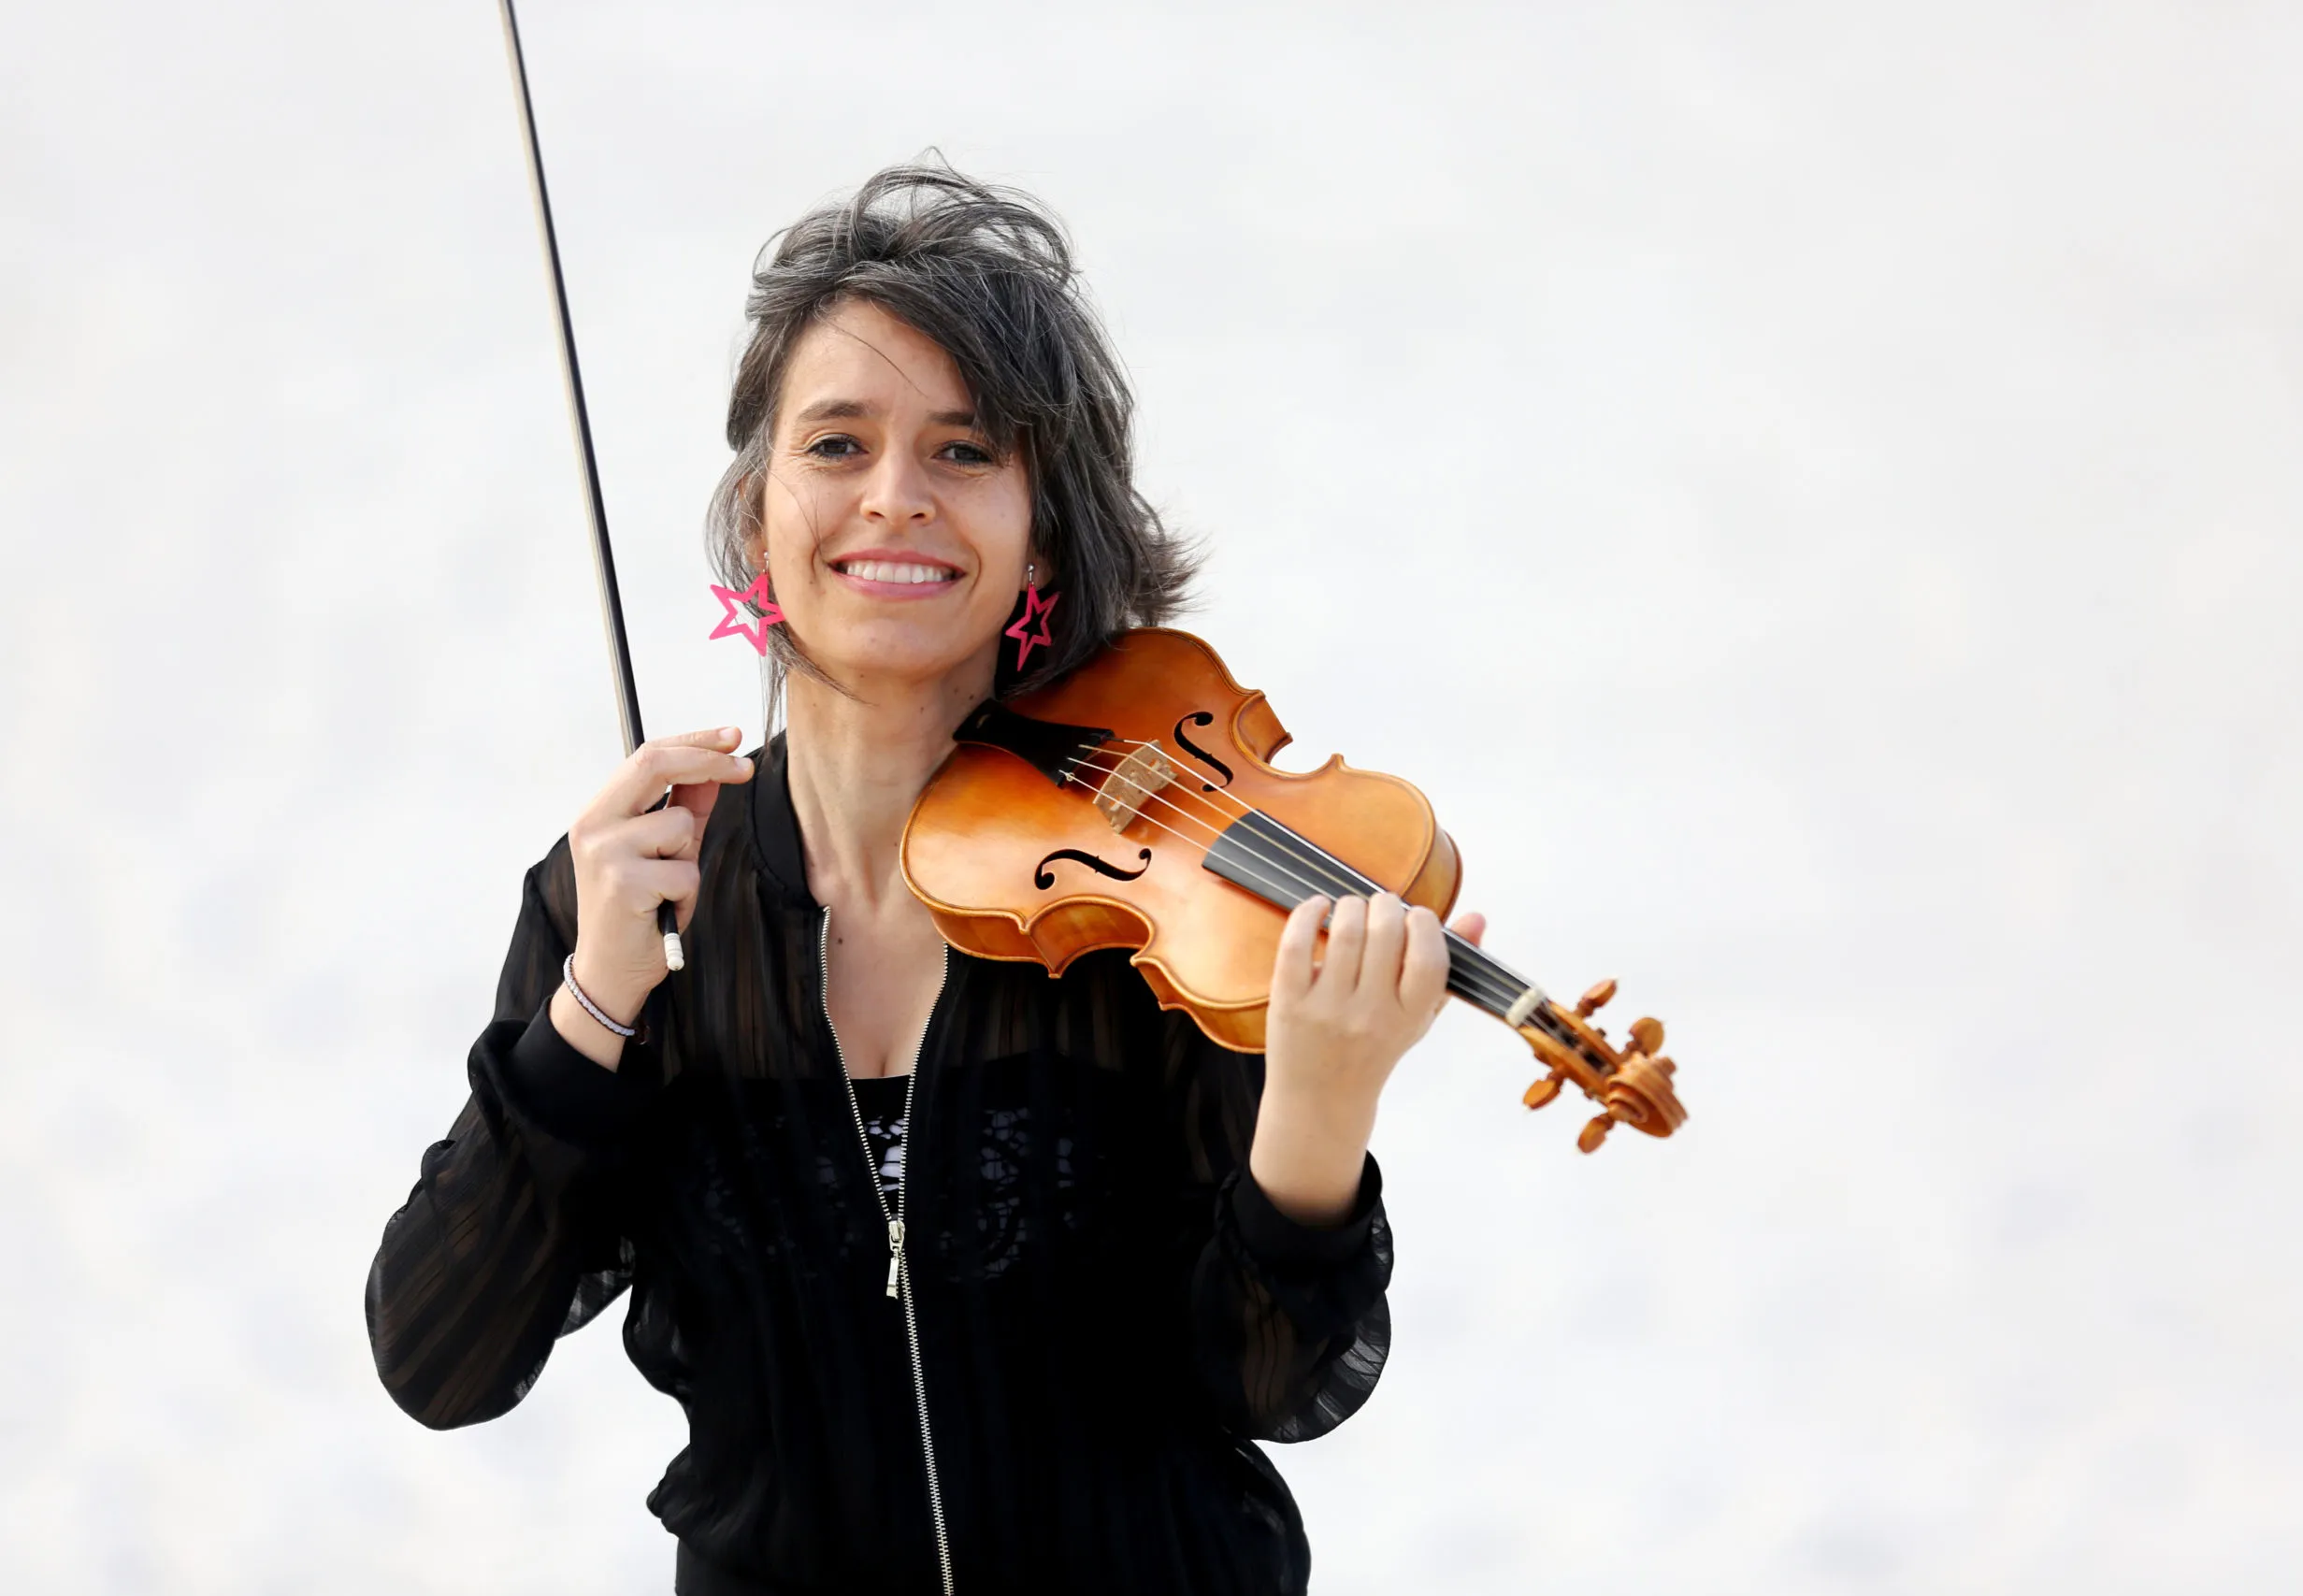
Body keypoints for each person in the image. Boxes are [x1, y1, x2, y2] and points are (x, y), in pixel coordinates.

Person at [367, 164, 1484, 1596]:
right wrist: (595, 1007)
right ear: (757, 514)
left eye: (964, 452)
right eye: (836, 444)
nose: (893, 498)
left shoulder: (1154, 912)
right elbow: (440, 1357)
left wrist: (1322, 1109)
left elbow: (1270, 1379)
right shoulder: (640, 887)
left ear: (1043, 531)